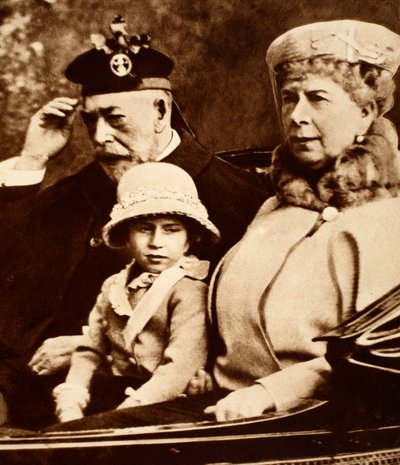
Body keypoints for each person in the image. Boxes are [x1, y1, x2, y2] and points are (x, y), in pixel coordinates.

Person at [48, 19, 400, 431]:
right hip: (215, 400)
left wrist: (267, 393)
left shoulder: (384, 221)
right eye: (289, 98)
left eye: (317, 98)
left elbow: (374, 358)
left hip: (306, 418)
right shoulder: (274, 206)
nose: (297, 115)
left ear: (366, 112)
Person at [0, 16, 268, 427]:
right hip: (30, 396)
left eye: (115, 118)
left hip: (146, 411)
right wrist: (33, 160)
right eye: (91, 121)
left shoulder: (237, 199)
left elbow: (248, 334)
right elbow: (12, 264)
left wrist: (98, 346)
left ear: (161, 111)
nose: (99, 137)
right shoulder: (85, 188)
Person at [52, 162, 219, 423]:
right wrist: (71, 399)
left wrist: (124, 414)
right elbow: (90, 349)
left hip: (163, 401)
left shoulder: (189, 291)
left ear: (190, 238)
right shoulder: (113, 287)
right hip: (114, 393)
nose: (156, 242)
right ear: (127, 236)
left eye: (171, 229)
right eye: (144, 228)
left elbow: (179, 368)